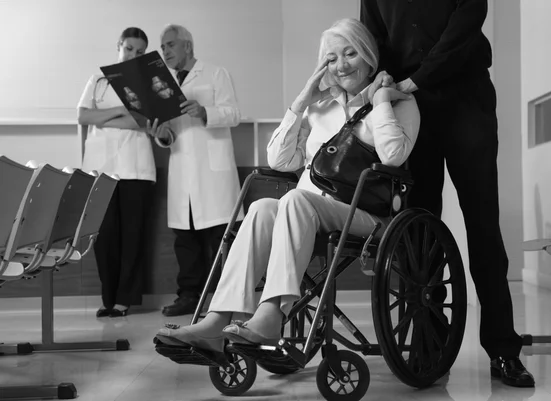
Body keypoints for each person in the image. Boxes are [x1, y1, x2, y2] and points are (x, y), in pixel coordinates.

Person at [155, 18, 419, 351]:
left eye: (350, 54)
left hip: (365, 215)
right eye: (331, 58)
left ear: (369, 56)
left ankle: (269, 315)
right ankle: (217, 318)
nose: (341, 65)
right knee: (263, 207)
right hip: (308, 211)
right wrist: (301, 102)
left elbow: (394, 156)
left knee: (295, 200)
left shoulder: (400, 102)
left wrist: (380, 101)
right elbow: (280, 161)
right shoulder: (320, 108)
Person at [360, 0, 535, 388]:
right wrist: (382, 80)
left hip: (464, 97)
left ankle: (504, 351)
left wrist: (416, 79)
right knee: (419, 232)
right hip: (407, 105)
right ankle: (429, 347)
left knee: (483, 224)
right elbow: (373, 39)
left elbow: (466, 23)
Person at [150, 24, 243, 317]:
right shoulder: (161, 85)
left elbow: (233, 114)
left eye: (170, 45)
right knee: (185, 240)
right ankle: (189, 297)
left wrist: (204, 112)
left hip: (212, 172)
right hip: (182, 171)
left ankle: (223, 300)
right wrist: (161, 134)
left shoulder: (216, 73)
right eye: (163, 47)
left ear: (187, 45)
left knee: (218, 238)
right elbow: (169, 135)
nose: (165, 51)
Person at [77, 27, 155, 318]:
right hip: (102, 169)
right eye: (129, 48)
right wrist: (120, 114)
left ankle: (124, 300)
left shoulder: (148, 82)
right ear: (119, 46)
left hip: (136, 168)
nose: (133, 55)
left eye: (140, 51)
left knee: (133, 237)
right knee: (105, 237)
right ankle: (108, 299)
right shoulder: (97, 79)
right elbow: (83, 115)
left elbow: (143, 122)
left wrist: (104, 116)